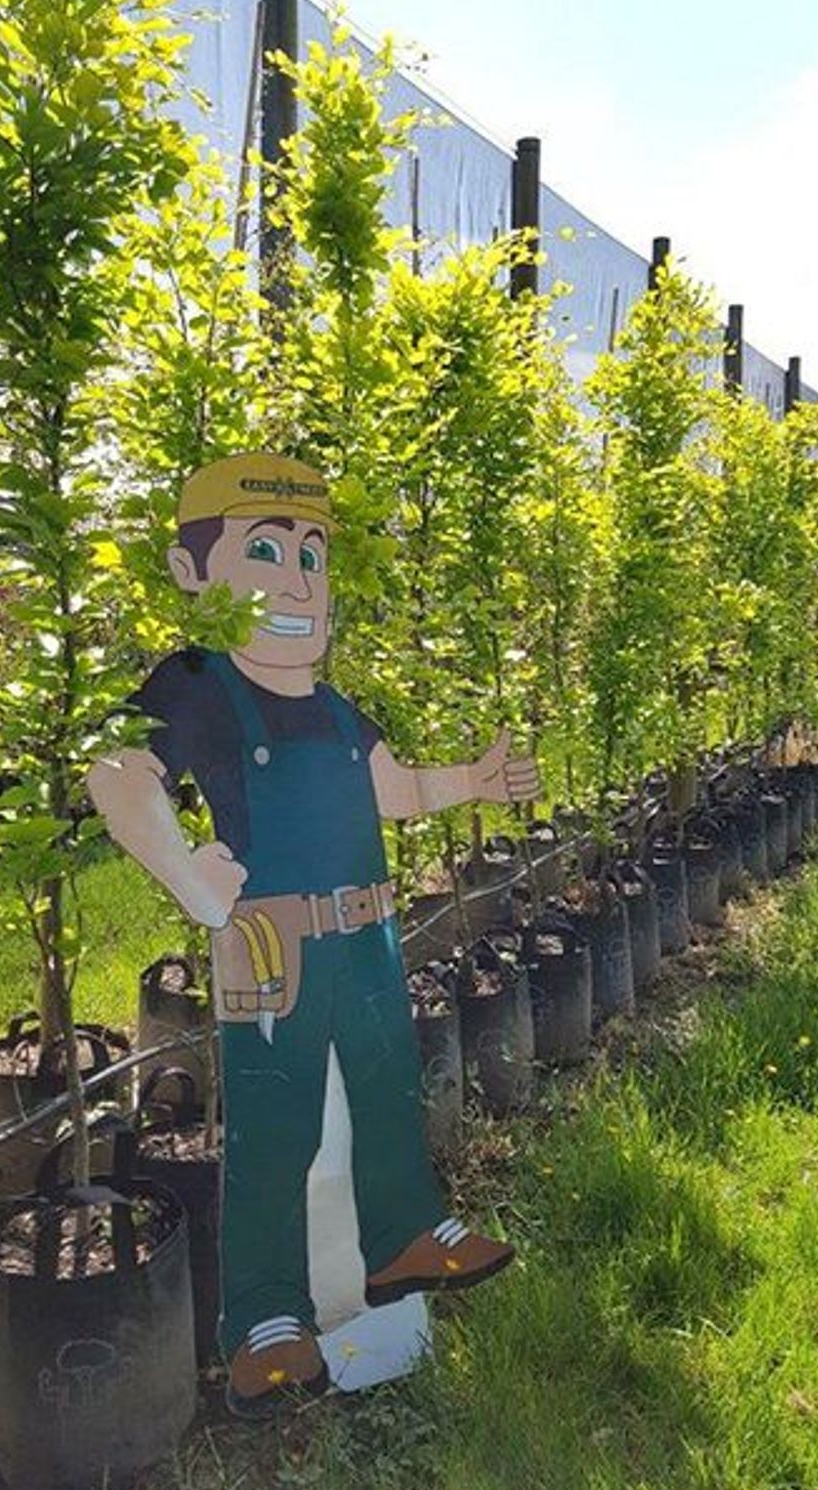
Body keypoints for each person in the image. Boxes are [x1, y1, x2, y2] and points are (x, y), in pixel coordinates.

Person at [88, 451, 538, 1416]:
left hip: (368, 941)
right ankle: (265, 1319)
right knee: (276, 1120)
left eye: (312, 556)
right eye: (264, 552)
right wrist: (187, 874)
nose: (298, 582)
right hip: (273, 950)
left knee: (385, 1089)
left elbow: (397, 790)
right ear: (194, 573)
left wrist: (474, 779)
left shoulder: (333, 708)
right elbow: (119, 775)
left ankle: (404, 1238)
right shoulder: (197, 686)